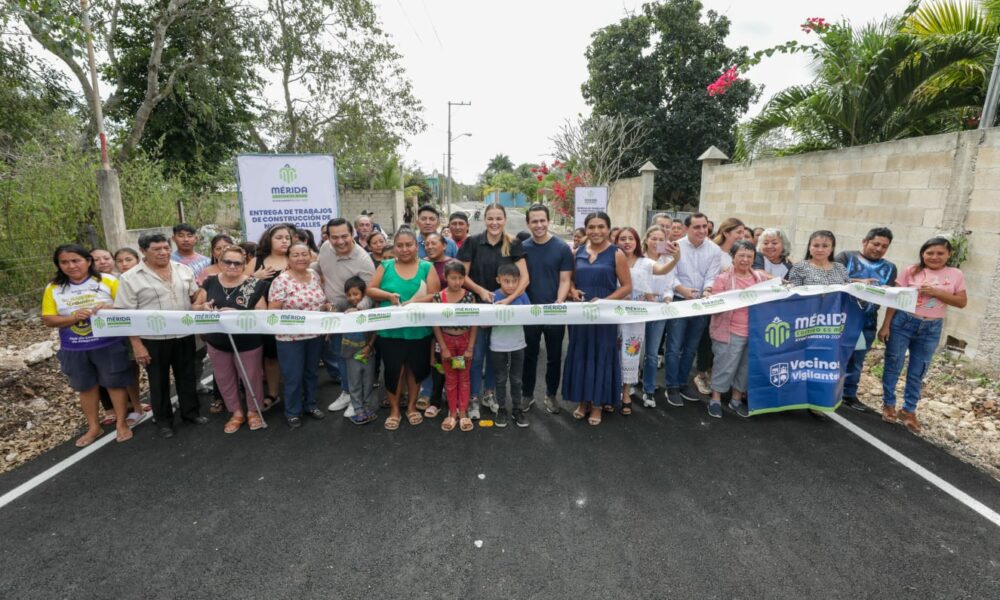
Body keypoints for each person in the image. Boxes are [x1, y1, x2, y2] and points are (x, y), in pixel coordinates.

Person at [42, 244, 134, 446]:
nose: (71, 266)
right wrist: (73, 318)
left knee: (115, 383)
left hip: (108, 343)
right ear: (58, 265)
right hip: (74, 347)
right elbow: (48, 319)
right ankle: (93, 427)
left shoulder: (108, 280)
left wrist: (109, 308)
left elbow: (128, 308)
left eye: (76, 260)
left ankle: (121, 423)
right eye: (64, 262)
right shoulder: (54, 288)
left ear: (88, 261)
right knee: (85, 387)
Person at [115, 233, 204, 438]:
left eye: (166, 248)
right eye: (156, 249)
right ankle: (164, 421)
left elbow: (195, 295)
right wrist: (137, 345)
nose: (163, 252)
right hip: (153, 339)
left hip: (184, 333)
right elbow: (126, 315)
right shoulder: (130, 278)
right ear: (143, 251)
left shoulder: (183, 269)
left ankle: (191, 413)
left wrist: (202, 300)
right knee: (158, 381)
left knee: (187, 376)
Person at [879, 238, 967, 433]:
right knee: (893, 363)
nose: (934, 257)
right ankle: (889, 404)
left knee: (918, 370)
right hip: (904, 322)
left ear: (949, 254)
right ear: (922, 254)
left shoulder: (955, 274)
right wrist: (886, 325)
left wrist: (936, 292)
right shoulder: (911, 271)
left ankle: (908, 410)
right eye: (929, 253)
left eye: (940, 253)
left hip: (931, 327)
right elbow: (895, 299)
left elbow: (961, 302)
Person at [457, 203, 529, 419]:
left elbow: (525, 278)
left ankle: (489, 394)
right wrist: (481, 290)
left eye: (499, 218)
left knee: (494, 356)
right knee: (477, 355)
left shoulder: (513, 243)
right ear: (484, 219)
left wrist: (507, 300)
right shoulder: (472, 242)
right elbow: (462, 275)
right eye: (490, 218)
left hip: (503, 311)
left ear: (505, 220)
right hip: (478, 309)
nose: (494, 222)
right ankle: (473, 397)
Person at [366, 228, 441, 430]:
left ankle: (411, 407)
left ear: (416, 246)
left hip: (419, 330)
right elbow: (370, 289)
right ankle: (394, 410)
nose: (404, 249)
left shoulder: (427, 267)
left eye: (409, 245)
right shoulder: (386, 265)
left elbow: (435, 294)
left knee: (415, 370)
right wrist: (388, 296)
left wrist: (414, 301)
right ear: (394, 247)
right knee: (393, 370)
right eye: (400, 245)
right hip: (390, 330)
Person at [563, 212, 632, 426]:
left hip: (604, 316)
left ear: (608, 229)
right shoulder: (578, 252)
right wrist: (573, 291)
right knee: (581, 354)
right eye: (591, 227)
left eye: (601, 226)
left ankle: (597, 404)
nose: (596, 231)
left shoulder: (617, 254)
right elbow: (570, 280)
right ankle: (583, 401)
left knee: (601, 354)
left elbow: (627, 287)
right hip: (581, 315)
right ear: (586, 229)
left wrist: (603, 302)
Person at [193, 245, 268, 433]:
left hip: (247, 342)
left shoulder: (254, 284)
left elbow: (263, 313)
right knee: (224, 378)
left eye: (238, 263)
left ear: (244, 265)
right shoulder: (210, 282)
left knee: (251, 378)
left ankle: (253, 411)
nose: (233, 266)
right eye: (228, 262)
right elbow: (195, 306)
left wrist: (237, 313)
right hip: (217, 341)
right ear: (219, 262)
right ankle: (236, 412)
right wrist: (203, 307)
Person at [313, 218, 376, 416]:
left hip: (354, 317)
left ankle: (358, 400)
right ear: (328, 237)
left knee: (355, 361)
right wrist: (302, 270)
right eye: (334, 237)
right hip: (334, 315)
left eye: (344, 236)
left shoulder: (363, 260)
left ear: (352, 234)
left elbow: (370, 292)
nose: (340, 241)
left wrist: (357, 309)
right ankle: (347, 392)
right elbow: (319, 267)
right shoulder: (325, 248)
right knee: (340, 355)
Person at [268, 241, 331, 429]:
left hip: (315, 336)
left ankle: (310, 405)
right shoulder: (281, 281)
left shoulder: (314, 275)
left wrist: (327, 307)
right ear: (288, 258)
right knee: (293, 376)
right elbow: (273, 312)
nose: (300, 258)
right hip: (290, 338)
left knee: (311, 373)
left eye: (304, 254)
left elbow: (320, 301)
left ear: (310, 257)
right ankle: (293, 412)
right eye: (295, 255)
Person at [705, 240, 772, 419]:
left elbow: (777, 289)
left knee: (745, 368)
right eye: (741, 255)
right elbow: (715, 305)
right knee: (724, 366)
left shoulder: (760, 279)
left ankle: (736, 400)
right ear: (733, 257)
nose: (745, 259)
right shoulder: (723, 278)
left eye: (750, 256)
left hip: (754, 333)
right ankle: (715, 399)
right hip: (729, 331)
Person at [836, 227, 897, 411]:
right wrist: (858, 283)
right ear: (865, 241)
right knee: (834, 356)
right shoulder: (846, 257)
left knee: (856, 361)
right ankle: (827, 392)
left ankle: (849, 395)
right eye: (875, 244)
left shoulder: (890, 268)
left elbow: (891, 298)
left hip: (867, 324)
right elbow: (833, 281)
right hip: (839, 322)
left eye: (884, 246)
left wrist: (886, 326)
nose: (879, 249)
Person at [521, 204, 573, 414]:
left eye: (542, 220)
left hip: (554, 312)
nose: (539, 225)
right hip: (529, 312)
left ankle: (551, 395)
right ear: (528, 223)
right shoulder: (521, 248)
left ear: (548, 221)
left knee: (554, 356)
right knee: (529, 355)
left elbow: (565, 280)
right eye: (534, 221)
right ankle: (527, 395)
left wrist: (559, 302)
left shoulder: (562, 248)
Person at [664, 213, 721, 407]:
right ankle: (671, 386)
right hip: (679, 301)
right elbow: (669, 274)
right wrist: (682, 290)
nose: (702, 230)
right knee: (674, 347)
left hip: (700, 304)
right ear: (686, 229)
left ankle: (682, 383)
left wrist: (707, 290)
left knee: (690, 348)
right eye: (697, 227)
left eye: (704, 226)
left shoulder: (714, 249)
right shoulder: (674, 246)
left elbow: (712, 275)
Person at [250, 223, 295, 410]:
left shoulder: (295, 258)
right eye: (279, 237)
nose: (284, 241)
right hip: (265, 320)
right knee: (270, 358)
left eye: (287, 238)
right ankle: (273, 394)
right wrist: (254, 276)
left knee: (292, 357)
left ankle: (297, 393)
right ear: (269, 240)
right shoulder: (257, 260)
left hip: (292, 319)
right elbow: (239, 286)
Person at [431, 261, 478, 432]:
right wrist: (443, 347)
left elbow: (474, 323)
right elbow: (435, 324)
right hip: (447, 341)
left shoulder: (470, 297)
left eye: (460, 278)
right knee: (450, 379)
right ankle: (452, 412)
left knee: (464, 378)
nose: (457, 282)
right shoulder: (438, 298)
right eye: (453, 278)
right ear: (445, 277)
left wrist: (470, 347)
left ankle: (463, 412)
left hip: (464, 341)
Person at [639, 225, 680, 408]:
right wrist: (646, 294)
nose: (656, 242)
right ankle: (628, 384)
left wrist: (668, 297)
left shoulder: (668, 260)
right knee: (633, 349)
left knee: (651, 353)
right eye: (653, 238)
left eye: (661, 239)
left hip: (659, 312)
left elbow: (669, 286)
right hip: (638, 310)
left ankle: (648, 390)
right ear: (646, 239)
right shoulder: (639, 259)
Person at [417, 232, 455, 417]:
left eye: (434, 243)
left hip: (448, 320)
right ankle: (427, 392)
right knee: (428, 356)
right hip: (425, 318)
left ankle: (449, 392)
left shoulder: (453, 264)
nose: (430, 246)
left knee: (447, 356)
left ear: (444, 245)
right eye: (427, 244)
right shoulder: (419, 264)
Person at [490, 263, 531, 428]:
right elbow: (485, 322)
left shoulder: (523, 295)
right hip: (498, 345)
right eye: (506, 281)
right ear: (498, 280)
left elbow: (530, 316)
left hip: (518, 344)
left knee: (516, 379)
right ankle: (501, 409)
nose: (511, 285)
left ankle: (517, 409)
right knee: (500, 379)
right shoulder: (493, 296)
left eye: (515, 281)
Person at [341, 276, 379, 425]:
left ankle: (367, 406)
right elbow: (330, 313)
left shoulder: (370, 308)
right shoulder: (343, 308)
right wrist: (327, 307)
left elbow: (375, 330)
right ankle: (358, 409)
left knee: (368, 381)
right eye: (349, 294)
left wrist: (369, 346)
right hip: (350, 354)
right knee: (355, 382)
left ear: (363, 294)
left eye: (356, 294)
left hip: (368, 353)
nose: (352, 298)